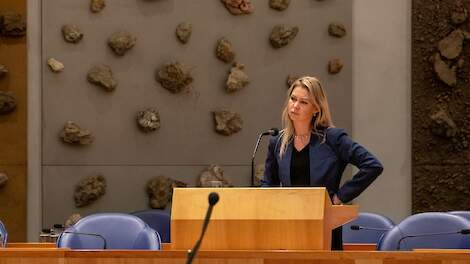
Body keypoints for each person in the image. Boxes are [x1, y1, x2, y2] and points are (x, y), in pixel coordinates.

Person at [261, 76, 383, 250]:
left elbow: (372, 165)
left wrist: (340, 196)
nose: (295, 106)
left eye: (303, 102)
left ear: (316, 109)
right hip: (288, 226)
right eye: (293, 99)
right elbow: (268, 183)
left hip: (324, 224)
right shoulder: (278, 141)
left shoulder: (333, 138)